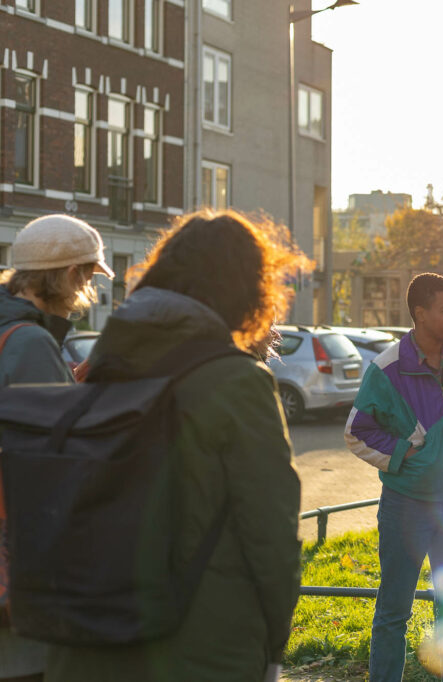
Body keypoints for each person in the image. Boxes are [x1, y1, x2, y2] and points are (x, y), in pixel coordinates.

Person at [44, 211, 305, 682]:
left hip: (87, 638)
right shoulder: (240, 382)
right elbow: (272, 536)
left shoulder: (103, 367)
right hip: (200, 649)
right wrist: (273, 649)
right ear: (250, 290)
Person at [344, 272, 443, 682]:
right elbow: (356, 432)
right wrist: (406, 453)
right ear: (420, 313)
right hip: (407, 506)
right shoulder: (387, 369)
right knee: (393, 611)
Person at [0, 214, 108, 682]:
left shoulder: (15, 332)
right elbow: (53, 462)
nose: (88, 288)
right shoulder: (30, 343)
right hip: (22, 561)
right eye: (88, 275)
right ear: (69, 275)